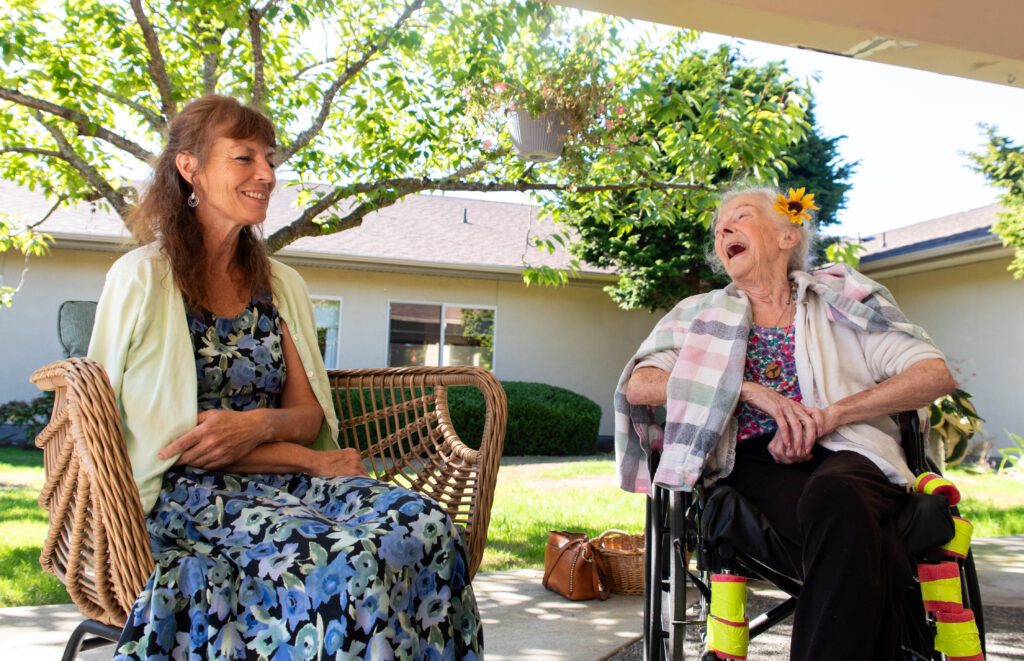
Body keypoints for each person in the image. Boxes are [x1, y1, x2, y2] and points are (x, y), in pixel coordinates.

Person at [88, 95, 482, 660]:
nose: (268, 175)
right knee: (351, 559)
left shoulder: (280, 285)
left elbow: (307, 415)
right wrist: (309, 459)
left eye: (269, 159)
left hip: (285, 486)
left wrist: (255, 428)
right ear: (190, 167)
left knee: (427, 524)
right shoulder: (142, 279)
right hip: (182, 501)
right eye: (244, 158)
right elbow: (176, 447)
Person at [615, 186, 956, 661]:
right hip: (749, 463)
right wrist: (748, 390)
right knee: (854, 528)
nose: (723, 230)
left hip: (851, 450)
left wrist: (832, 415)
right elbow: (642, 385)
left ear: (786, 236)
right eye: (719, 227)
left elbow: (932, 374)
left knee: (836, 494)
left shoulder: (843, 301)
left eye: (741, 216)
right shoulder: (700, 314)